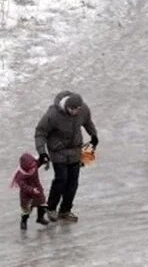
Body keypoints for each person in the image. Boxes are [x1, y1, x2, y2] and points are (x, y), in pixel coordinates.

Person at [34, 91, 98, 223]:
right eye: (73, 110)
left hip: (75, 151)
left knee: (73, 183)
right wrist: (42, 152)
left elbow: (88, 122)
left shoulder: (83, 110)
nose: (76, 112)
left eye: (78, 109)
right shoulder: (53, 115)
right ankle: (51, 208)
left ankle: (65, 210)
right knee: (61, 180)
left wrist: (94, 135)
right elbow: (40, 133)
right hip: (58, 151)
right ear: (67, 107)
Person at [9, 152, 49, 229]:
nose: (33, 169)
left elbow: (38, 163)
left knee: (42, 204)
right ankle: (24, 221)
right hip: (27, 195)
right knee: (26, 210)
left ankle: (40, 218)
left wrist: (42, 160)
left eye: (34, 167)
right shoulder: (20, 176)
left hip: (37, 190)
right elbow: (23, 186)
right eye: (31, 168)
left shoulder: (34, 165)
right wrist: (31, 190)